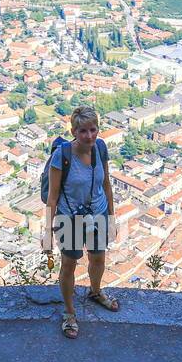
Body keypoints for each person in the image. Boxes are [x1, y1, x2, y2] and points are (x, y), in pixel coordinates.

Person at [42, 106, 119, 339]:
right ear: (74, 131)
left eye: (93, 129)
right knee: (69, 264)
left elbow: (106, 184)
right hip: (69, 217)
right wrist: (47, 231)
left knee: (98, 257)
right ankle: (69, 312)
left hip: (98, 212)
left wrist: (112, 217)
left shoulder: (101, 148)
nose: (89, 136)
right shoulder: (62, 156)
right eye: (83, 131)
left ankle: (95, 292)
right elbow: (52, 196)